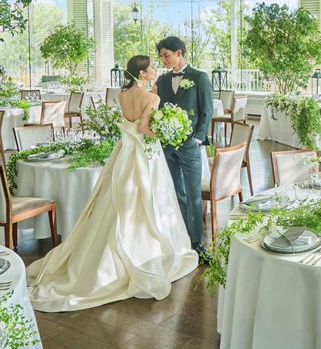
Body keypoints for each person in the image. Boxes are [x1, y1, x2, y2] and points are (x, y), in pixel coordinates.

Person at [26, 55, 198, 312]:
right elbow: (144, 128)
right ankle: (142, 253)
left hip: (125, 153)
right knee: (147, 200)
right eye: (151, 67)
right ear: (142, 73)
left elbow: (131, 123)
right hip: (146, 154)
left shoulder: (123, 94)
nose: (155, 69)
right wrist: (165, 131)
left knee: (116, 200)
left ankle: (104, 253)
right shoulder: (152, 98)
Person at [155, 36, 214, 263]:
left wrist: (198, 139)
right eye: (161, 57)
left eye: (166, 55)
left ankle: (197, 244)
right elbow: (157, 109)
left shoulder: (199, 78)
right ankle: (182, 239)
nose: (164, 60)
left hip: (190, 146)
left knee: (193, 195)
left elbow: (207, 111)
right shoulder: (162, 80)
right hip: (167, 147)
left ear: (179, 53)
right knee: (176, 193)